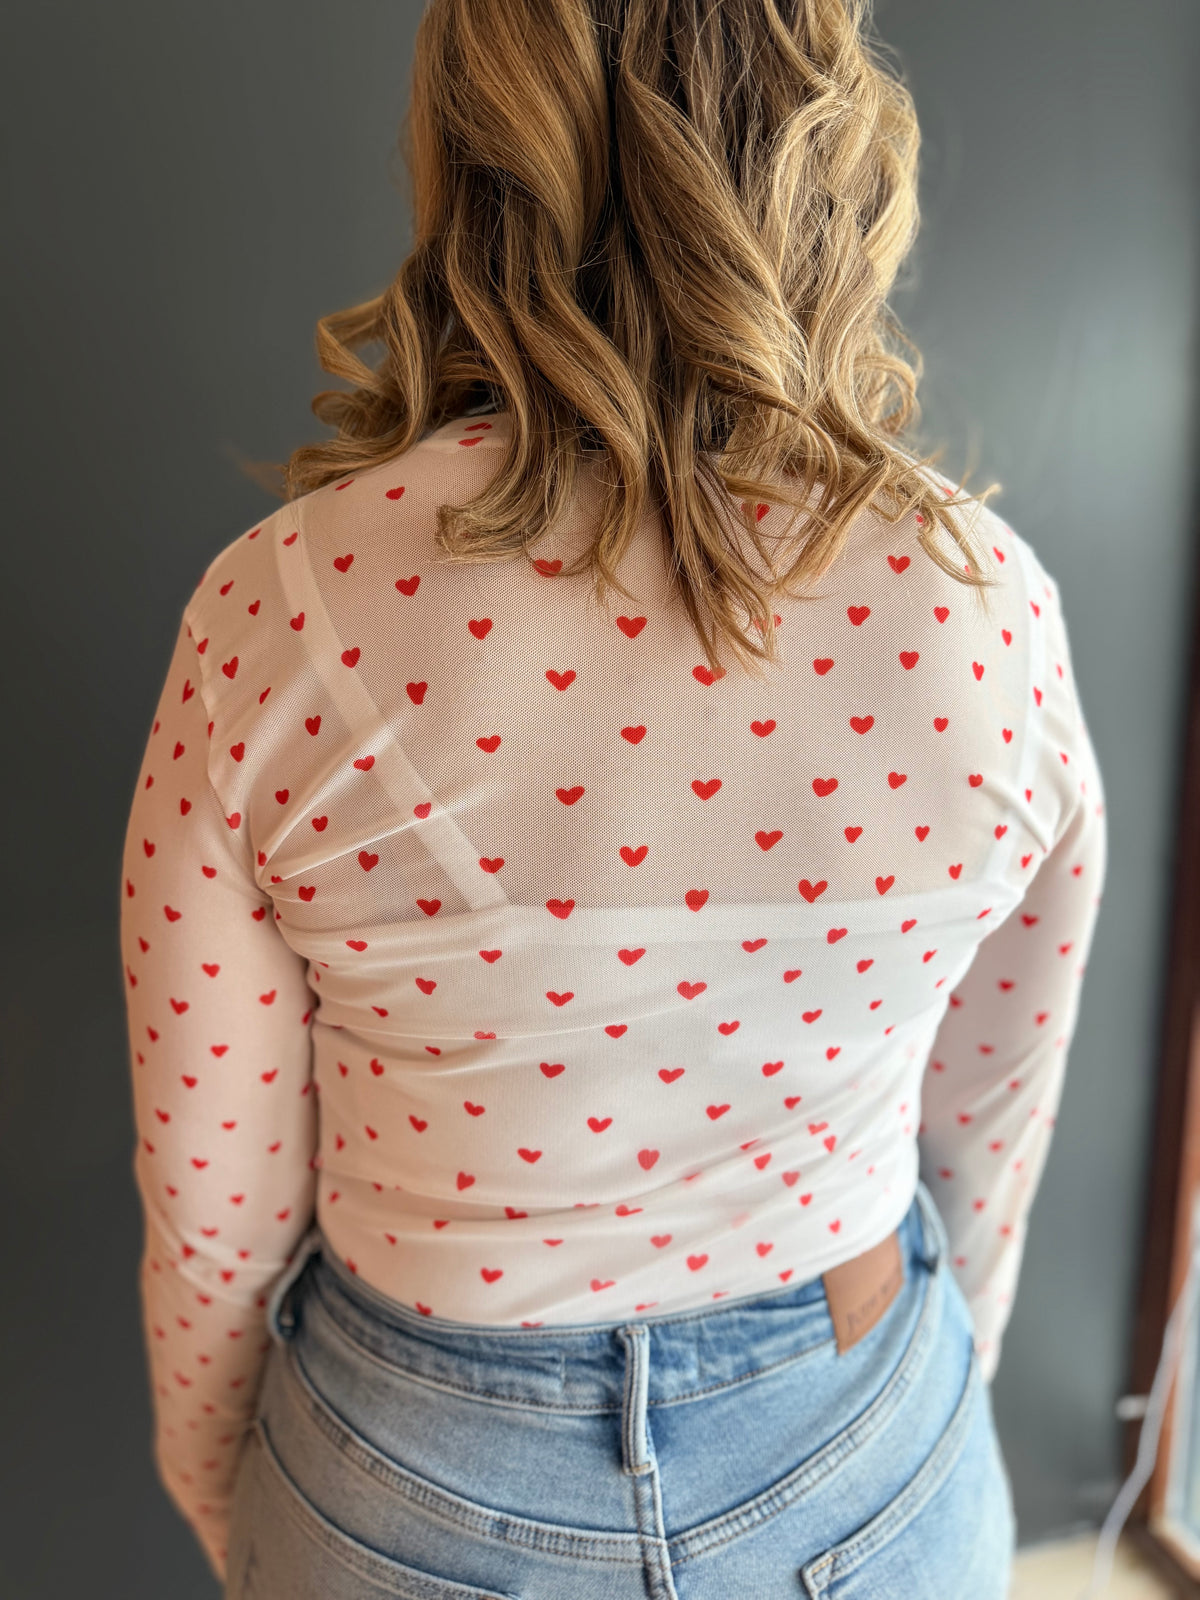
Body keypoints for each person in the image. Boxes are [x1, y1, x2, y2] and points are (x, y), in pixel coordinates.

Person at [119, 1, 1107, 1594]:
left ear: (474, 151)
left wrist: (226, 1487)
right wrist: (934, 1382)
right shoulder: (985, 606)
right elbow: (996, 1114)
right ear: (830, 140)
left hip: (409, 1474)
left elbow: (211, 1199)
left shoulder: (284, 608)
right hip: (862, 1422)